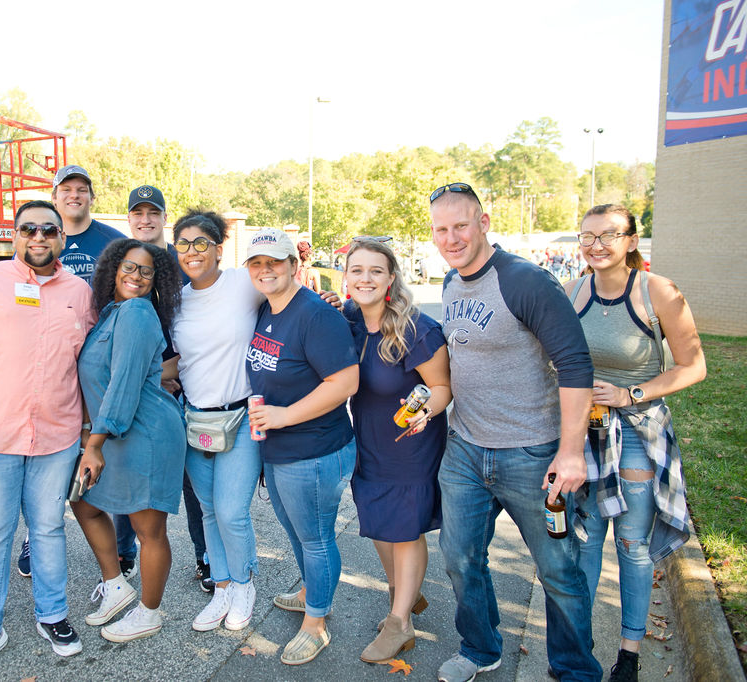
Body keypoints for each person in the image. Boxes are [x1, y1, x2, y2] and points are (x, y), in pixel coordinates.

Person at [428, 183, 601, 682]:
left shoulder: (525, 281)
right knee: (460, 558)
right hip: (464, 448)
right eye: (441, 229)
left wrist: (570, 451)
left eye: (460, 225)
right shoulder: (449, 283)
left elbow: (574, 364)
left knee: (558, 572)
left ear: (483, 222)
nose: (451, 238)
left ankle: (575, 670)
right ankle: (480, 649)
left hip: (532, 451)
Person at [0, 200, 97, 677]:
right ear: (14, 235)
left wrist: (90, 436)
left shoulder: (80, 292)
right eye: (28, 229)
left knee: (48, 528)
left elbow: (86, 366)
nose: (38, 237)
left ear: (62, 239)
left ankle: (53, 616)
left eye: (48, 230)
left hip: (58, 436)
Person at [566, 204, 705, 682]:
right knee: (583, 543)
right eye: (587, 236)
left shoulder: (657, 291)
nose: (596, 244)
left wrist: (631, 393)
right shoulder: (574, 290)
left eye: (609, 235)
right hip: (585, 435)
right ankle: (578, 649)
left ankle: (628, 654)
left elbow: (694, 366)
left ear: (631, 240)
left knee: (631, 543)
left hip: (637, 434)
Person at [244, 227, 359, 666]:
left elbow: (345, 381)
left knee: (315, 538)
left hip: (313, 449)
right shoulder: (267, 309)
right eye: (257, 263)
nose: (265, 269)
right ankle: (313, 592)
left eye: (275, 261)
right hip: (278, 447)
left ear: (295, 265)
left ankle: (317, 624)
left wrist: (284, 416)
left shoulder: (314, 313)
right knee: (296, 533)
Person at [12, 165, 129, 581]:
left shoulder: (112, 241)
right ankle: (33, 536)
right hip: (49, 364)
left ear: (91, 197)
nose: (74, 195)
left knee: (107, 451)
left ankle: (123, 544)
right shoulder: (34, 241)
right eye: (66, 189)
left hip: (97, 358)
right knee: (43, 458)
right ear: (55, 196)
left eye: (82, 189)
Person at [341, 238, 451, 663]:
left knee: (404, 527)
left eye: (375, 271)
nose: (365, 278)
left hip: (411, 443)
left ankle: (400, 622)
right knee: (378, 522)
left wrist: (426, 412)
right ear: (346, 274)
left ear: (391, 278)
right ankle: (403, 593)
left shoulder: (415, 329)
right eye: (357, 270)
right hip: (367, 439)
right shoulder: (350, 318)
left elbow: (441, 387)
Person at [72, 238, 186, 643]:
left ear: (157, 281)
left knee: (147, 529)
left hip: (147, 434)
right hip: (114, 431)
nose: (135, 276)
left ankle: (149, 613)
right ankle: (117, 586)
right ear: (112, 269)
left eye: (146, 271)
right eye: (129, 267)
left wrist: (94, 442)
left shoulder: (138, 312)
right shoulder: (110, 314)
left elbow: (121, 385)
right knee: (83, 503)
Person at [170, 211, 262, 633]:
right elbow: (175, 360)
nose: (192, 251)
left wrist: (334, 303)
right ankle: (222, 586)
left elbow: (290, 297)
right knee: (208, 510)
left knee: (231, 510)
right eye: (184, 243)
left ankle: (244, 585)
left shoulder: (243, 284)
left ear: (219, 249)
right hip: (194, 420)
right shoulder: (174, 300)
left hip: (241, 416)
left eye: (201, 242)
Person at [124, 185, 211, 591]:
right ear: (129, 219)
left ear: (163, 218)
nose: (146, 220)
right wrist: (152, 375)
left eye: (153, 213)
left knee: (194, 482)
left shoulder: (185, 266)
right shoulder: (123, 265)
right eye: (138, 213)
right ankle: (126, 556)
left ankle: (206, 557)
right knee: (130, 479)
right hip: (142, 393)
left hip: (187, 391)